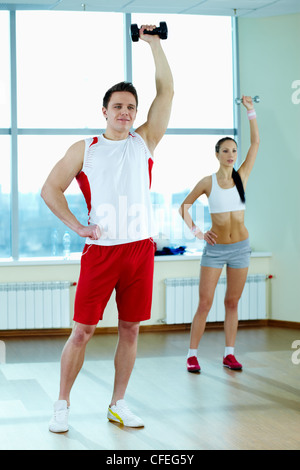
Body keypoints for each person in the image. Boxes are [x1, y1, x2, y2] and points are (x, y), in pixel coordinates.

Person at [41, 24, 173, 431]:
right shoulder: (86, 149)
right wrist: (77, 227)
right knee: (82, 331)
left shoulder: (144, 141)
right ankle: (61, 405)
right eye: (118, 106)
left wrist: (153, 44)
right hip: (101, 252)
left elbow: (166, 93)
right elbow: (50, 189)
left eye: (131, 107)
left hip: (139, 250)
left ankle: (118, 403)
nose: (125, 112)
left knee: (131, 329)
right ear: (105, 110)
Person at [179, 96, 259, 373]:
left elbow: (256, 144)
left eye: (234, 150)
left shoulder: (242, 176)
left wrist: (251, 111)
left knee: (232, 302)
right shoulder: (207, 182)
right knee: (205, 303)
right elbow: (184, 206)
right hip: (215, 250)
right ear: (217, 154)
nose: (231, 154)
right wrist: (197, 232)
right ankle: (192, 355)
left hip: (240, 248)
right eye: (225, 150)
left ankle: (229, 354)